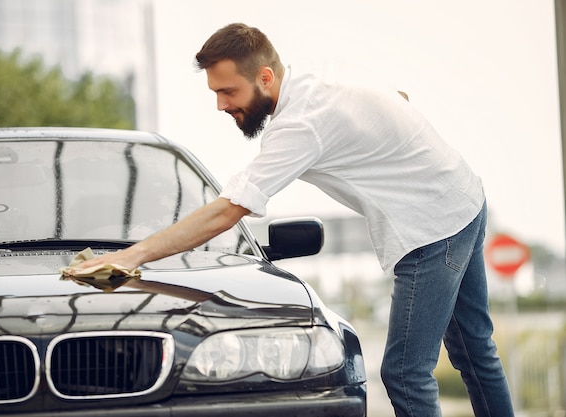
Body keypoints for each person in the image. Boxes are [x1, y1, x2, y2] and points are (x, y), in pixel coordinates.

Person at [72, 23, 515, 416]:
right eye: (215, 93)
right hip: (463, 196)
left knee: (403, 373)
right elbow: (398, 96)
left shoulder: (300, 125)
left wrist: (130, 257)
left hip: (433, 228)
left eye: (229, 92)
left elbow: (227, 212)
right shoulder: (318, 76)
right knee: (475, 350)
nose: (222, 106)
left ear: (264, 77)